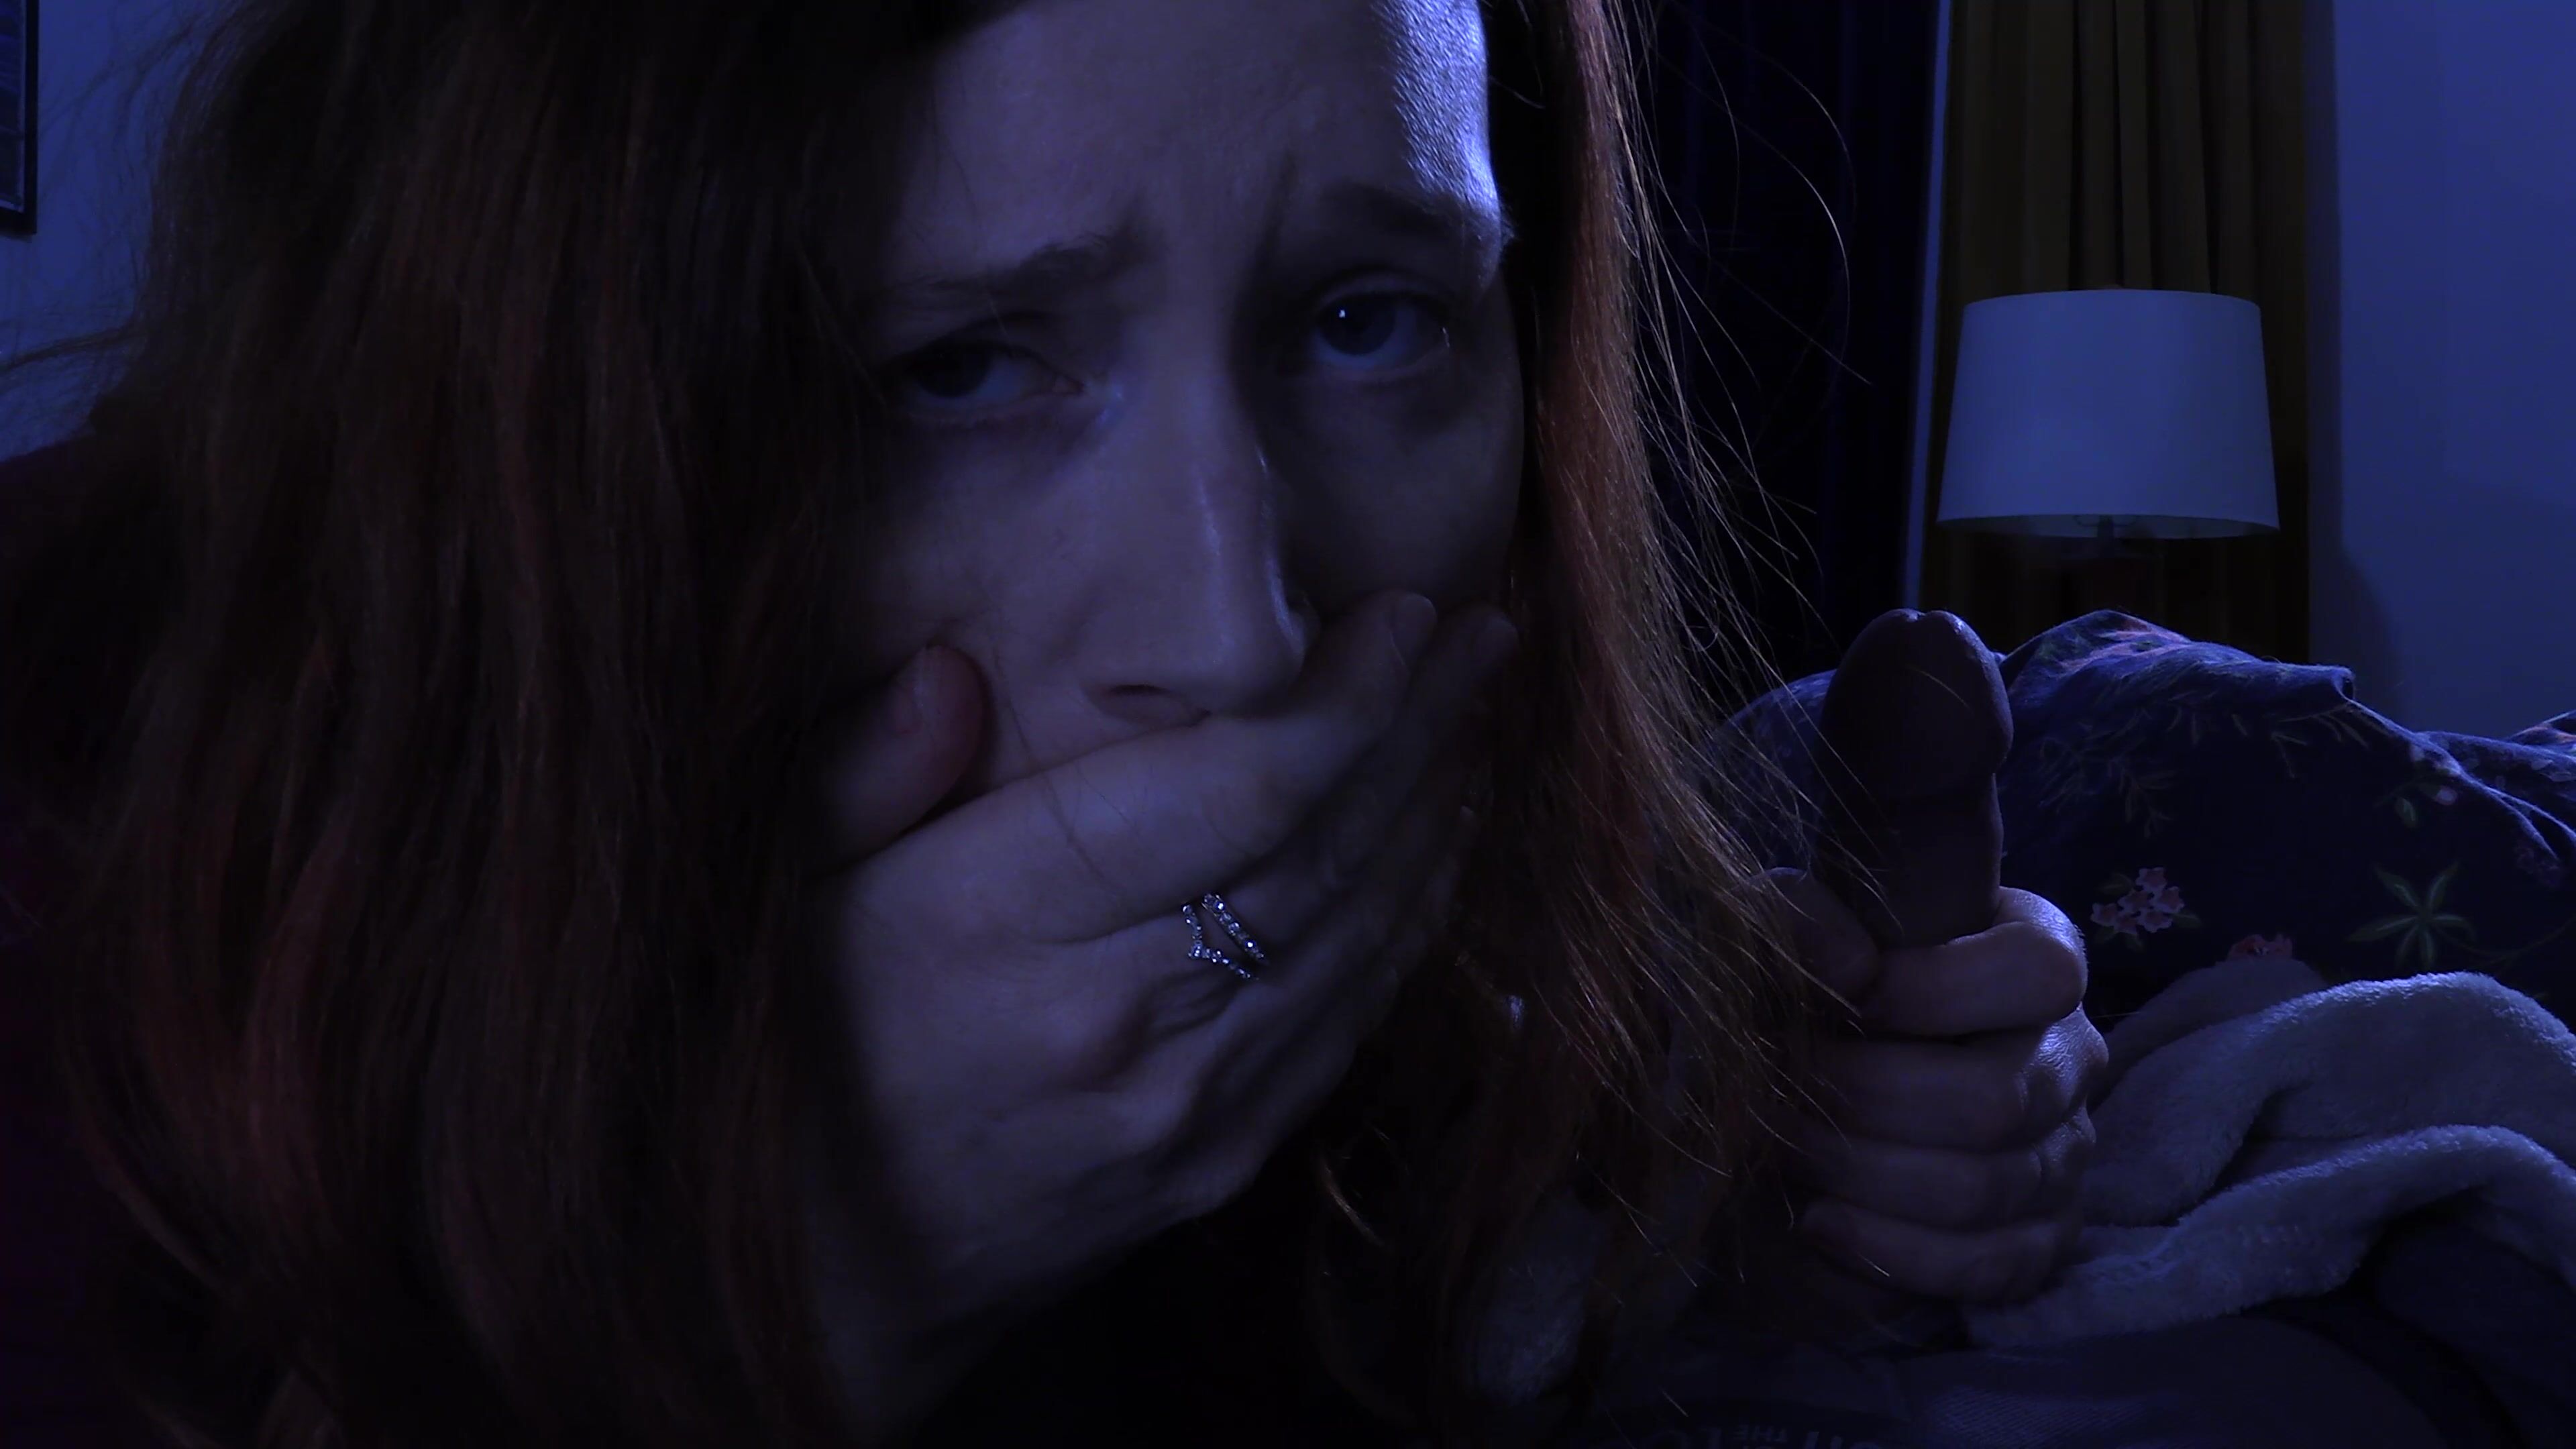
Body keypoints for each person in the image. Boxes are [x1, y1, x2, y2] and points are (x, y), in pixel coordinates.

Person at [0, 1, 2108, 1445]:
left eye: (1366, 323)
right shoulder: (69, 843)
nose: (1235, 633)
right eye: (959, 367)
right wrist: (830, 1278)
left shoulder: (1426, 750)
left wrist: (1786, 1135)